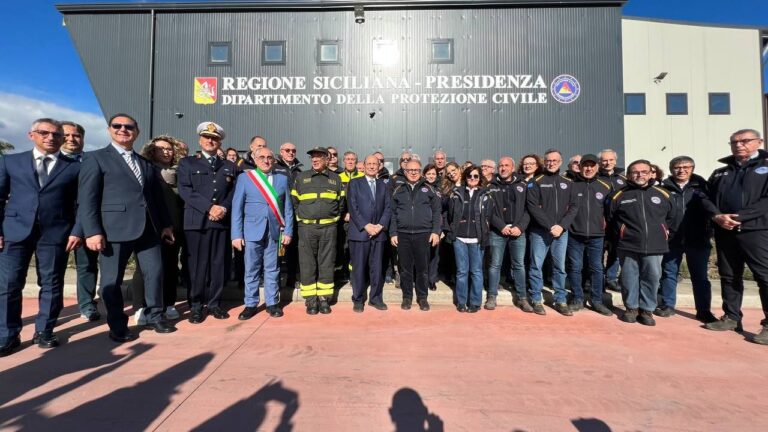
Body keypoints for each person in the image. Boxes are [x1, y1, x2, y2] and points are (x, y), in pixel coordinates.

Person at [78, 113, 176, 342]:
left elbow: (156, 198)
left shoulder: (145, 163)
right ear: (110, 129)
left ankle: (155, 316)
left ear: (137, 131)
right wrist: (92, 231)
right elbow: (88, 199)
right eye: (117, 126)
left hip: (149, 229)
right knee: (112, 281)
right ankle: (117, 325)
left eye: (129, 126)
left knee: (155, 273)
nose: (123, 129)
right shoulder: (96, 158)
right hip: (114, 230)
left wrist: (166, 225)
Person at [0, 118, 82, 356]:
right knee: (9, 284)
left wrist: (77, 230)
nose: (51, 137)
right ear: (31, 135)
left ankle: (44, 330)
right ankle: (7, 334)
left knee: (51, 283)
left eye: (57, 134)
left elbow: (81, 203)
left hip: (55, 233)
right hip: (15, 231)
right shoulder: (10, 161)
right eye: (44, 133)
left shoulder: (74, 167)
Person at [702, 128, 768, 345]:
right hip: (725, 231)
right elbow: (705, 197)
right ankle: (731, 316)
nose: (739, 145)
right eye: (734, 142)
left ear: (758, 142)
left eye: (745, 141)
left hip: (756, 231)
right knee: (729, 276)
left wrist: (740, 217)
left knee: (764, 276)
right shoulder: (721, 172)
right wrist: (717, 216)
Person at [177, 122, 237, 323]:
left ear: (220, 141)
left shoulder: (229, 166)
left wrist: (223, 208)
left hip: (220, 222)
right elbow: (185, 190)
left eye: (215, 138)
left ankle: (214, 303)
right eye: (207, 137)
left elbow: (233, 193)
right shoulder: (188, 163)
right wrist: (209, 207)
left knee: (218, 264)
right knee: (196, 266)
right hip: (196, 223)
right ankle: (195, 305)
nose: (211, 141)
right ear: (200, 140)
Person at [607, 159, 674, 326]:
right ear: (629, 175)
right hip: (628, 244)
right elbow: (610, 218)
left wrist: (663, 233)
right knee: (629, 277)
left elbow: (672, 219)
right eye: (635, 172)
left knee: (652, 277)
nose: (639, 175)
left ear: (651, 173)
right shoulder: (619, 195)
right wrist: (622, 234)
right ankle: (631, 308)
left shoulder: (663, 194)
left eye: (644, 172)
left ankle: (647, 310)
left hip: (655, 245)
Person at [231, 147, 294, 319]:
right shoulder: (245, 178)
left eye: (269, 158)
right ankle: (250, 304)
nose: (266, 161)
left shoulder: (282, 179)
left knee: (272, 269)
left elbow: (288, 208)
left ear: (274, 160)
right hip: (252, 231)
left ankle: (272, 303)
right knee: (251, 269)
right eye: (262, 157)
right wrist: (236, 234)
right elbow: (237, 208)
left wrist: (288, 231)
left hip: (274, 232)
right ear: (254, 158)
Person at [655, 156, 715, 322]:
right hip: (672, 239)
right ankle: (668, 305)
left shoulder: (703, 187)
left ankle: (704, 310)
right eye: (677, 167)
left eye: (685, 167)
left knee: (700, 276)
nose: (681, 170)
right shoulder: (663, 188)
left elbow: (713, 209)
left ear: (692, 168)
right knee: (669, 273)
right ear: (671, 169)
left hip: (698, 238)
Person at [136, 136, 186, 321]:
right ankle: (141, 307)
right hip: (150, 225)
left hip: (174, 224)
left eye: (169, 149)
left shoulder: (180, 171)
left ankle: (169, 303)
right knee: (145, 269)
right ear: (152, 151)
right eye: (161, 148)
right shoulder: (145, 169)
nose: (166, 151)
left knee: (171, 266)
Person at [291, 147, 344, 315]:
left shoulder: (335, 179)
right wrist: (302, 219)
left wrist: (333, 219)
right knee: (307, 263)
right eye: (312, 157)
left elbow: (341, 204)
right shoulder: (301, 177)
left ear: (327, 159)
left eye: (318, 157)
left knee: (327, 263)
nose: (314, 160)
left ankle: (324, 298)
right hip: (307, 227)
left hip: (329, 228)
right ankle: (310, 300)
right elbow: (294, 202)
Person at [526, 149, 579, 316]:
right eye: (548, 160)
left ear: (560, 162)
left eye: (555, 160)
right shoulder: (536, 181)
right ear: (544, 162)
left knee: (559, 267)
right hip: (540, 232)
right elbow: (533, 207)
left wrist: (561, 226)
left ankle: (560, 299)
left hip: (561, 233)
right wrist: (550, 226)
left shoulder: (568, 182)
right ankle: (536, 298)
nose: (551, 163)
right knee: (536, 266)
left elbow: (574, 207)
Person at [60, 121, 101, 322]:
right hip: (53, 225)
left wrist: (80, 228)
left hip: (84, 222)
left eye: (76, 135)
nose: (71, 139)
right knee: (50, 270)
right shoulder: (48, 161)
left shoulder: (91, 161)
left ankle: (86, 304)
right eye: (66, 135)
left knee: (87, 265)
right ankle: (50, 308)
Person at [390, 160, 441, 311]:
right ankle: (407, 297)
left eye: (416, 170)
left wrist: (435, 231)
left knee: (422, 269)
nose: (413, 172)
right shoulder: (398, 189)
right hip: (403, 235)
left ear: (421, 172)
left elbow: (437, 212)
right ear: (405, 171)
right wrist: (393, 232)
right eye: (410, 170)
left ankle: (422, 298)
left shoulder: (429, 189)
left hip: (423, 235)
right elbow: (392, 213)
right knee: (405, 269)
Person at [566, 154, 613, 316]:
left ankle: (597, 300)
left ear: (597, 167)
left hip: (597, 235)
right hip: (574, 234)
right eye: (585, 165)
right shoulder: (572, 185)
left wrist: (609, 234)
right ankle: (577, 298)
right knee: (575, 267)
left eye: (592, 165)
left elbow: (611, 213)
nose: (588, 168)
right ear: (580, 167)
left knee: (597, 268)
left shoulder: (606, 186)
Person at [447, 165, 494, 313]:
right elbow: (451, 214)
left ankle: (475, 302)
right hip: (459, 238)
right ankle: (461, 302)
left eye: (476, 176)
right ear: (465, 177)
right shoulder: (456, 193)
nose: (472, 179)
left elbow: (489, 216)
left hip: (477, 239)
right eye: (469, 176)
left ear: (480, 178)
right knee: (462, 271)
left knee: (476, 271)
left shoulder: (486, 195)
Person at [347, 155, 391, 312]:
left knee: (377, 268)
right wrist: (366, 226)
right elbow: (352, 207)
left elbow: (388, 207)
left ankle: (375, 298)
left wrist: (379, 226)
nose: (372, 166)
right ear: (364, 166)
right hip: (360, 233)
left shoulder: (384, 185)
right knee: (359, 268)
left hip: (379, 234)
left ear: (379, 166)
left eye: (375, 164)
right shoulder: (354, 183)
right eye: (369, 164)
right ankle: (358, 299)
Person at [487, 156, 530, 311]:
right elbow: (488, 210)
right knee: (495, 264)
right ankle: (492, 296)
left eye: (507, 165)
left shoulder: (523, 185)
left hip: (518, 232)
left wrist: (520, 227)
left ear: (513, 168)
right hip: (498, 232)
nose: (503, 168)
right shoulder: (491, 185)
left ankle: (522, 298)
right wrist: (501, 225)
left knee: (519, 265)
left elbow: (528, 209)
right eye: (501, 166)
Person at [598, 148, 627, 292]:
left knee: (615, 252)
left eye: (610, 160)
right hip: (600, 222)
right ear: (600, 162)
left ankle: (611, 278)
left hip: (618, 223)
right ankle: (599, 279)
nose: (607, 163)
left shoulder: (624, 179)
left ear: (615, 161)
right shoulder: (596, 178)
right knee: (599, 252)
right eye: (604, 160)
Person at [337, 151, 363, 283]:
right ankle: (342, 273)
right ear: (344, 162)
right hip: (343, 220)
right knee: (343, 247)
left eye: (353, 159)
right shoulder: (338, 177)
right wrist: (342, 215)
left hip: (357, 219)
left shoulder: (362, 177)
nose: (350, 161)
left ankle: (354, 275)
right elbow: (336, 201)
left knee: (356, 249)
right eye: (348, 159)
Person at [423, 164, 441, 291]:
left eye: (433, 174)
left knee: (434, 255)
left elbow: (445, 211)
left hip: (436, 227)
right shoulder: (420, 187)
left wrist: (441, 229)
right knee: (421, 255)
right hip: (423, 226)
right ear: (424, 175)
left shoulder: (441, 189)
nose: (431, 176)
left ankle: (431, 280)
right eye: (428, 173)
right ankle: (421, 279)